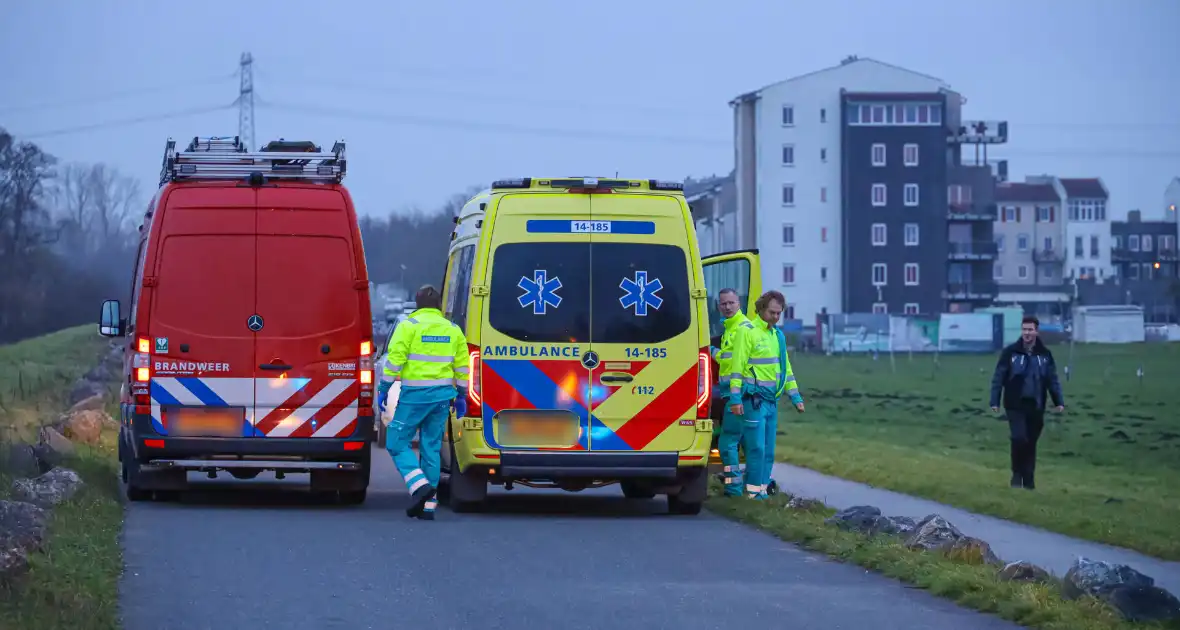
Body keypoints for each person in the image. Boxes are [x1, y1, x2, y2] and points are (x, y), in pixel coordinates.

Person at [377, 285, 470, 520]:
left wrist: (384, 388)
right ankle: (428, 507)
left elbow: (395, 360)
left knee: (396, 442)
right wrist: (462, 394)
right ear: (439, 305)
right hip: (442, 399)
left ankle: (419, 487)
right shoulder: (453, 329)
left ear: (417, 305)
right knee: (431, 449)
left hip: (414, 397)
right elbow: (462, 365)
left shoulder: (409, 327)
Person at [989, 314, 1064, 490]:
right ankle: (1016, 474)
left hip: (1036, 405)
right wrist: (995, 400)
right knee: (1019, 438)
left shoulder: (1045, 355)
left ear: (1036, 331)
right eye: (1024, 330)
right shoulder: (1010, 353)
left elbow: (1052, 379)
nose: (1027, 333)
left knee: (1031, 442)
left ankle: (1028, 479)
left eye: (1030, 330)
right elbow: (998, 377)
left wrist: (1058, 401)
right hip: (1015, 404)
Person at [758, 291, 805, 496]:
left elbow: (786, 371)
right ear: (761, 309)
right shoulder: (750, 333)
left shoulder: (778, 336)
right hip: (754, 399)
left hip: (772, 400)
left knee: (768, 449)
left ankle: (763, 485)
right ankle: (754, 489)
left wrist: (795, 397)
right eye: (772, 312)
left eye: (779, 313)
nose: (776, 317)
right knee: (756, 448)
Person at [711, 288, 753, 497]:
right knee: (748, 441)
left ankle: (733, 489)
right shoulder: (733, 327)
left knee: (727, 442)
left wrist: (710, 351)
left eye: (731, 303)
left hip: (737, 392)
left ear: (739, 304)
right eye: (723, 304)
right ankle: (755, 487)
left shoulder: (740, 329)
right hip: (742, 392)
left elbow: (734, 360)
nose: (727, 307)